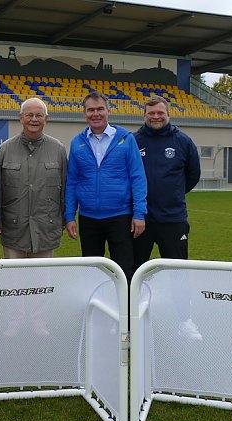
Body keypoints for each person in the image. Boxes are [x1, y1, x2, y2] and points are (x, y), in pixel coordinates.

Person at [64, 91, 147, 281]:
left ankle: (124, 310)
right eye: (90, 110)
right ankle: (97, 309)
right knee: (92, 272)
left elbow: (138, 177)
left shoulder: (126, 139)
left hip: (120, 216)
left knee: (124, 270)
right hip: (88, 217)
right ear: (84, 113)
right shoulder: (77, 143)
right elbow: (72, 181)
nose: (96, 114)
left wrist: (139, 213)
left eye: (100, 109)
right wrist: (69, 215)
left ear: (108, 111)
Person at [132, 95, 201, 273]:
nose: (156, 116)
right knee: (133, 272)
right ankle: (133, 302)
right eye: (151, 113)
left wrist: (174, 193)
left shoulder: (183, 141)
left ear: (168, 114)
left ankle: (178, 302)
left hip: (173, 219)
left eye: (160, 112)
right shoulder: (133, 141)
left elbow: (193, 175)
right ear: (144, 116)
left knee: (177, 273)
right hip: (140, 220)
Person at [0, 97, 67, 258]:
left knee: (42, 282)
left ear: (46, 119)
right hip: (14, 230)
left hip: (45, 230)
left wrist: (65, 220)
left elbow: (64, 190)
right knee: (14, 281)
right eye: (29, 115)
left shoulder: (58, 150)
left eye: (39, 115)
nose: (34, 119)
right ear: (21, 118)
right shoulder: (4, 150)